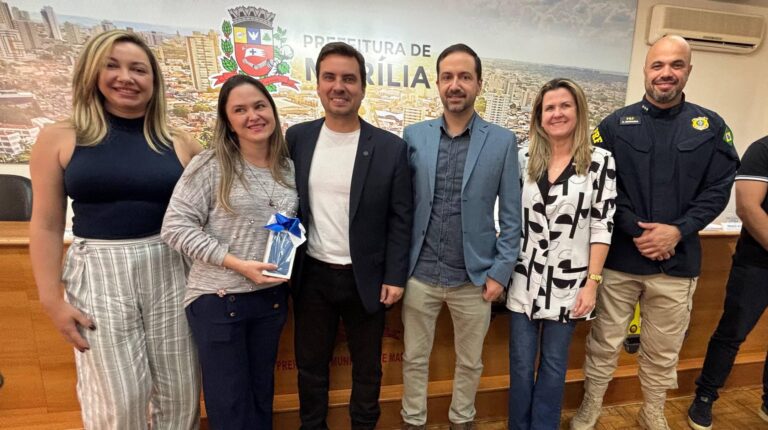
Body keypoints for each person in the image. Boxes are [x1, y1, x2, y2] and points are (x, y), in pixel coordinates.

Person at [29, 30, 202, 428]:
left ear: (154, 81)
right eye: (112, 66)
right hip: (99, 271)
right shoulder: (59, 137)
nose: (126, 77)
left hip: (170, 266)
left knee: (181, 393)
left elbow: (215, 206)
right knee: (119, 398)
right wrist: (51, 299)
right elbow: (47, 224)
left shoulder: (179, 141)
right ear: (92, 72)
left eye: (138, 69)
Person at [570, 35, 739, 430]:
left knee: (663, 351)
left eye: (676, 65)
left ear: (688, 71)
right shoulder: (614, 126)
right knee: (604, 343)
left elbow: (718, 190)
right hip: (621, 260)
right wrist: (638, 230)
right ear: (646, 71)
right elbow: (603, 189)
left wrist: (677, 231)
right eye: (658, 65)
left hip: (677, 263)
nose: (666, 73)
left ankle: (652, 411)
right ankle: (591, 407)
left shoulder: (711, 127)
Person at [287, 42, 413, 429]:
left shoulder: (390, 148)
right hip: (312, 276)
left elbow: (401, 217)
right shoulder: (297, 139)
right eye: (330, 77)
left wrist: (395, 276)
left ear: (362, 87)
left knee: (368, 369)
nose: (339, 86)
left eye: (348, 79)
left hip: (367, 278)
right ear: (318, 84)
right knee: (310, 368)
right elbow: (283, 203)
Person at [161, 75, 296, 429]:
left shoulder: (288, 168)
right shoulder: (210, 165)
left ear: (272, 110)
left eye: (259, 106)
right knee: (230, 408)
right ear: (228, 121)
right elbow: (175, 227)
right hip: (220, 301)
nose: (253, 116)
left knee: (261, 400)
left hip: (270, 302)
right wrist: (236, 263)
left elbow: (286, 225)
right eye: (240, 110)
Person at [401, 43, 521, 430]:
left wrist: (500, 273)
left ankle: (462, 420)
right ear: (437, 83)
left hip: (475, 278)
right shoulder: (413, 136)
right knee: (413, 359)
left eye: (465, 77)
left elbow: (511, 216)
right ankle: (413, 421)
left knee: (470, 362)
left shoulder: (502, 141)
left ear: (479, 84)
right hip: (419, 274)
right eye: (448, 77)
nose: (455, 85)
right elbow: (401, 208)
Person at [506, 78, 616, 430]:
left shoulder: (600, 162)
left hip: (569, 283)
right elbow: (507, 217)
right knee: (520, 365)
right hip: (523, 279)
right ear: (539, 116)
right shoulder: (522, 158)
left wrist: (592, 284)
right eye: (549, 108)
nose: (557, 113)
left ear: (578, 110)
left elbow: (602, 226)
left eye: (564, 106)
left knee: (554, 365)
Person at [687, 135, 768, 430]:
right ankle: (705, 396)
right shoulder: (763, 149)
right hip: (757, 264)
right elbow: (748, 207)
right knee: (732, 332)